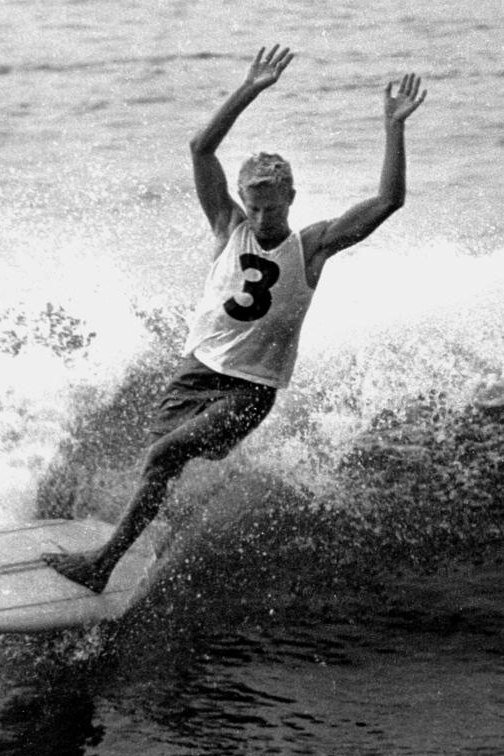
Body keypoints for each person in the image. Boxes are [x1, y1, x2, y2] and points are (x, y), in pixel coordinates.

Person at [43, 44, 426, 592]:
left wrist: (393, 126)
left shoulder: (312, 245)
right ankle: (148, 533)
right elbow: (201, 149)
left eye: (273, 205)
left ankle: (100, 566)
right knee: (161, 465)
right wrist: (251, 86)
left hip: (250, 388)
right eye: (255, 205)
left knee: (164, 453)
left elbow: (389, 200)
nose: (264, 215)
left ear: (292, 196)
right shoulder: (228, 225)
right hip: (196, 370)